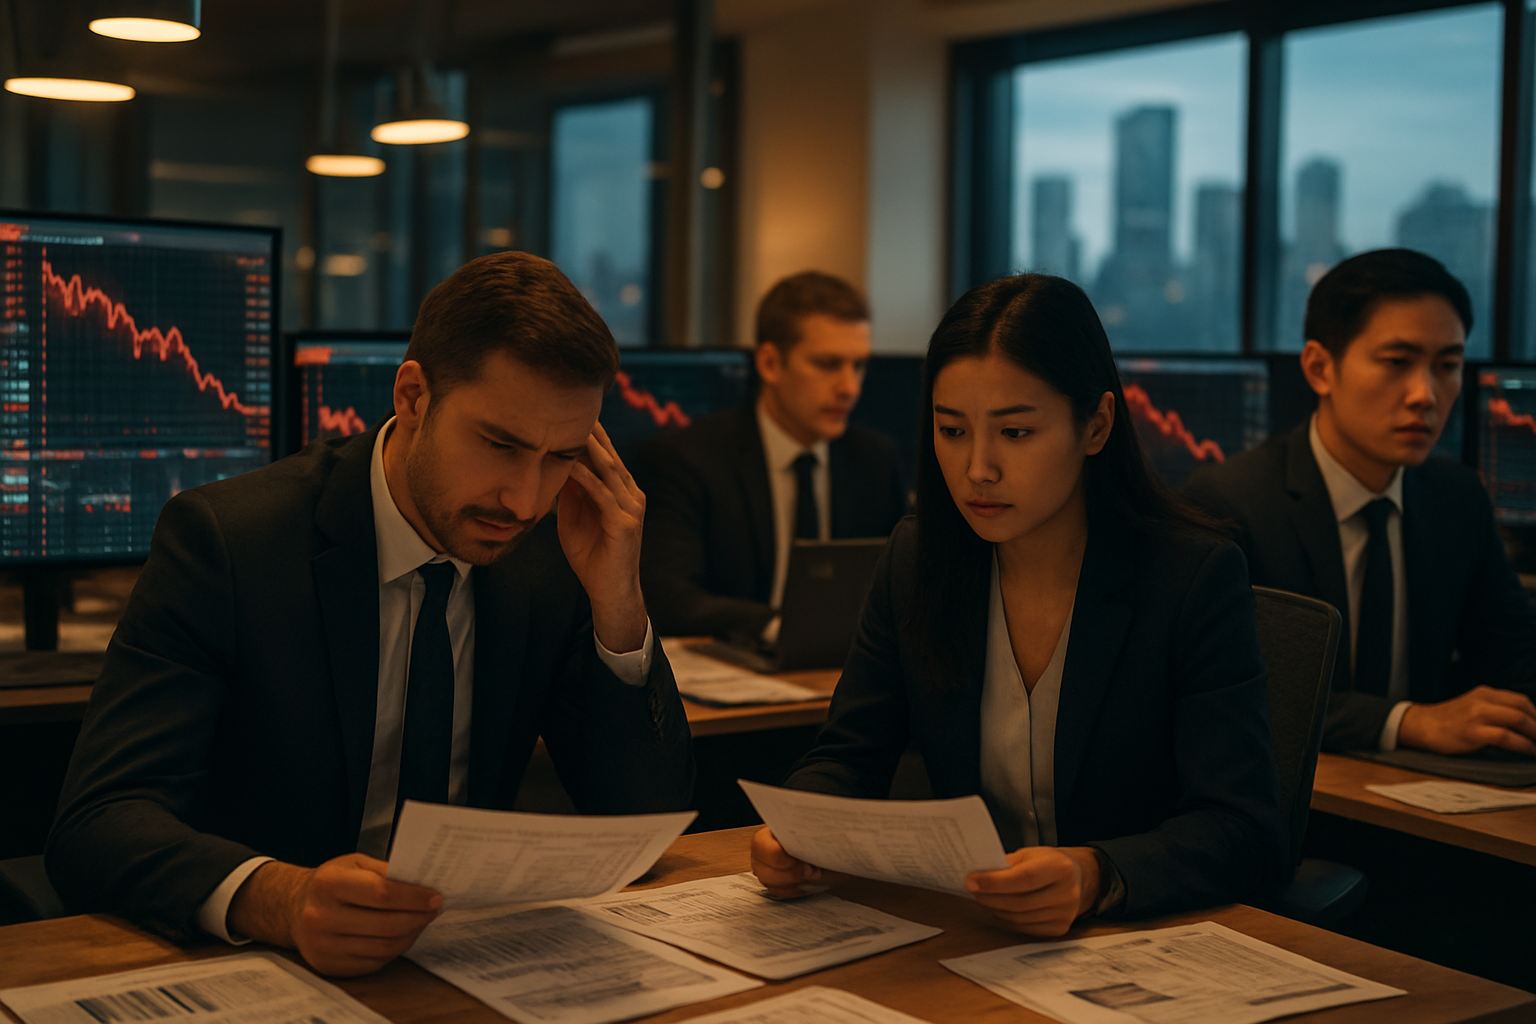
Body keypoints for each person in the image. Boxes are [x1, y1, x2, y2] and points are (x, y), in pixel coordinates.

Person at [46, 252, 694, 976]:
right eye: (500, 445)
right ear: (414, 397)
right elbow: (98, 821)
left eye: (560, 457)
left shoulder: (550, 553)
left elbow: (645, 816)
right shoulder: (230, 543)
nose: (523, 499)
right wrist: (281, 897)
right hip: (265, 965)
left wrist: (617, 602)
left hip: (455, 965)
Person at [751, 274, 1285, 932]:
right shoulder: (917, 560)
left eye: (1016, 434)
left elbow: (1244, 828)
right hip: (973, 931)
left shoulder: (1191, 577)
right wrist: (800, 827)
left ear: (1096, 425)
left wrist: (1097, 873)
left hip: (1132, 938)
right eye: (952, 430)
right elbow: (849, 754)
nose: (978, 468)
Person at [1183, 249, 1536, 756]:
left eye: (1448, 366)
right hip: (1297, 809)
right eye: (1398, 362)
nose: (1426, 394)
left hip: (1427, 799)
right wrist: (1408, 722)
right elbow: (1235, 696)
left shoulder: (1457, 500)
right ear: (1320, 368)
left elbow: (1515, 659)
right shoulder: (1229, 504)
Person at [634, 271, 908, 641]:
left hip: (845, 668)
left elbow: (903, 590)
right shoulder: (688, 460)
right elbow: (668, 599)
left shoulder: (874, 459)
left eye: (858, 365)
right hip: (741, 661)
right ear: (769, 364)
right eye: (828, 365)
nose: (849, 387)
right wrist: (784, 628)